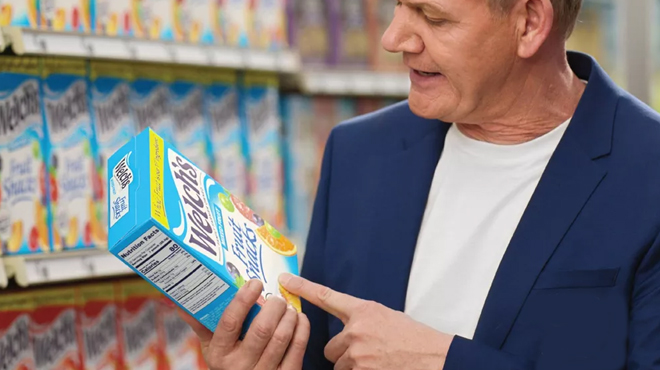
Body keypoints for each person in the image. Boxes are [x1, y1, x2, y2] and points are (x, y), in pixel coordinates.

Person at [181, 0, 660, 369]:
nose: (393, 38)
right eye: (399, 5)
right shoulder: (358, 154)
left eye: (432, 16)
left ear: (530, 22)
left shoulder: (647, 171)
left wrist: (444, 362)